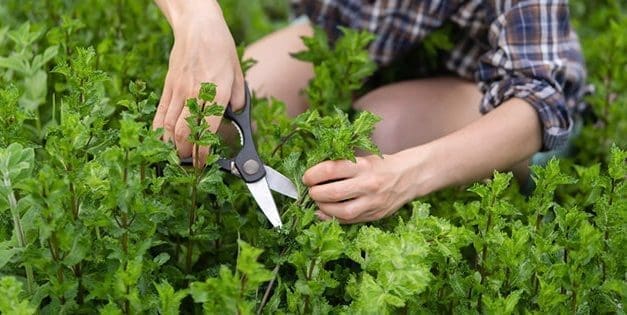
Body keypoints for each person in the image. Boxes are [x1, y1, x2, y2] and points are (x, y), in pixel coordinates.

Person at [152, 0, 587, 224]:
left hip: (485, 86)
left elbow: (541, 101)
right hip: (352, 41)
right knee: (210, 117)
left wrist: (405, 176)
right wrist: (197, 21)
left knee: (378, 133)